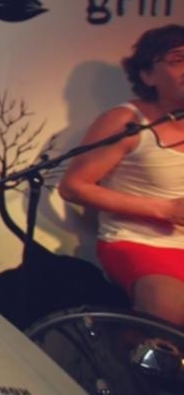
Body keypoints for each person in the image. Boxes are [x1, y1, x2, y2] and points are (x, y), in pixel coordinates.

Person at [59, 24, 184, 326]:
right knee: (169, 312)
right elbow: (74, 186)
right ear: (148, 75)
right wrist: (164, 209)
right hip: (141, 244)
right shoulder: (126, 120)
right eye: (177, 60)